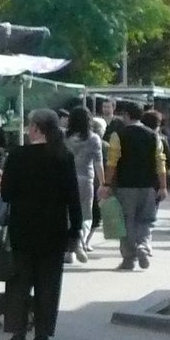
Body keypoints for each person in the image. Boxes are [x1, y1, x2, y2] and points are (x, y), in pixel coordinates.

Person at [0, 109, 84, 340]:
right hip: (54, 229)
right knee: (49, 283)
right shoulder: (63, 156)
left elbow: (6, 193)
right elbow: (73, 197)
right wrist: (75, 228)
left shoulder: (18, 155)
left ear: (36, 128)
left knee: (20, 282)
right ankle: (42, 335)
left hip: (23, 228)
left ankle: (18, 334)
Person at [102, 100, 168, 271]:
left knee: (126, 222)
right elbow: (160, 162)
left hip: (125, 186)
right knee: (146, 221)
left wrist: (107, 183)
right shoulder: (154, 136)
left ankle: (128, 259)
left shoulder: (118, 135)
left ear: (126, 115)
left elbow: (112, 163)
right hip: (148, 187)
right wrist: (162, 186)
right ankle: (144, 246)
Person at [65, 106, 105, 260]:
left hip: (66, 179)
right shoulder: (94, 138)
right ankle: (80, 243)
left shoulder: (64, 137)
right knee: (85, 214)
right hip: (85, 179)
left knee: (68, 215)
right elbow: (98, 163)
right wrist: (103, 183)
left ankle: (70, 250)